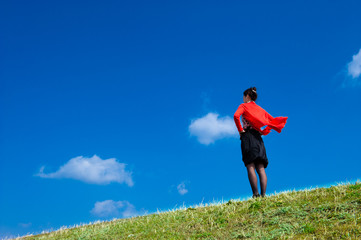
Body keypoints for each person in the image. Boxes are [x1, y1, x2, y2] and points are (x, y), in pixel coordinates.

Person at [233, 87, 288, 198]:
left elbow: (236, 116)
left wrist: (240, 130)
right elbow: (270, 122)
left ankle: (255, 194)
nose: (243, 99)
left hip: (248, 137)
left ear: (247, 96)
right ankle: (263, 195)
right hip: (258, 139)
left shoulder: (244, 106)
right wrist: (263, 132)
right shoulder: (259, 109)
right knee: (260, 167)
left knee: (250, 165)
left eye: (243, 96)